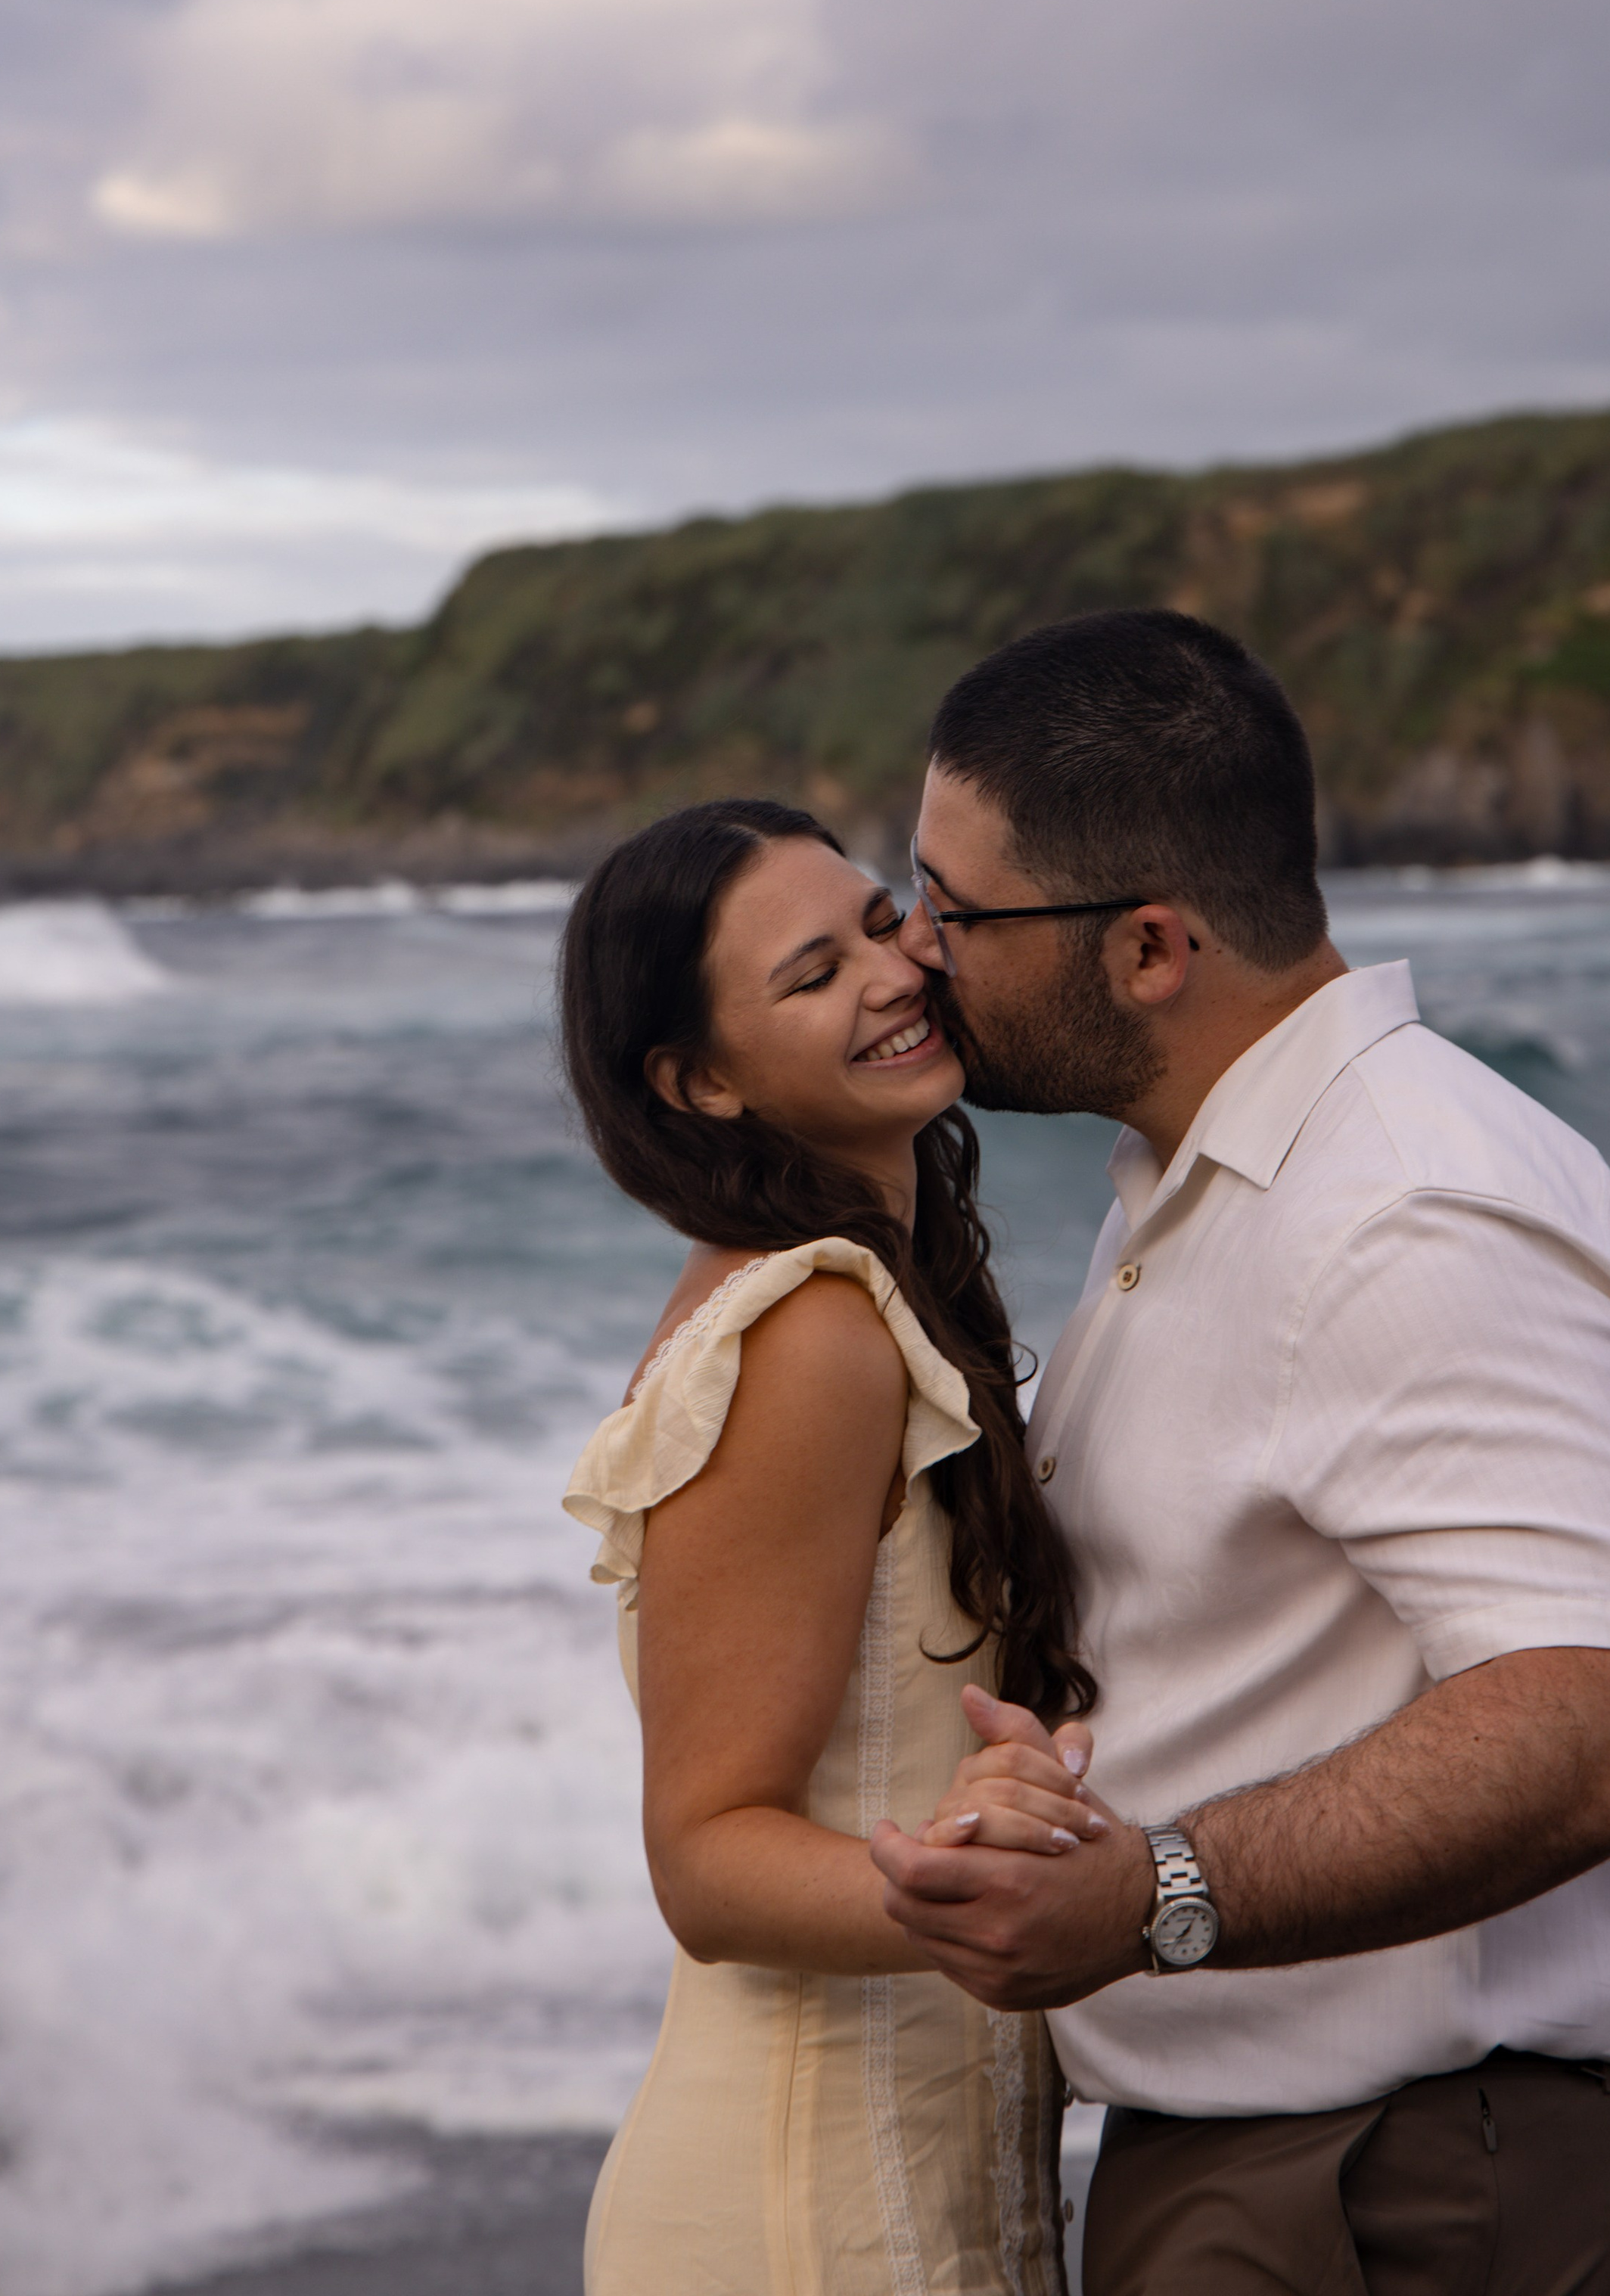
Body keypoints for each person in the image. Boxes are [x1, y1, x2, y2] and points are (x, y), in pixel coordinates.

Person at [868, 607, 1610, 2292]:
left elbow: (1601, 1720)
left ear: (1147, 950)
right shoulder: (1222, 1191)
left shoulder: (1406, 1210)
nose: (914, 950)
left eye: (954, 908)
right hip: (1316, 2162)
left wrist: (1152, 1896)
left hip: (1421, 2182)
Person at [559, 797, 1092, 2296]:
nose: (890, 974)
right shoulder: (807, 1332)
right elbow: (707, 1859)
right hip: (805, 2219)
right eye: (811, 976)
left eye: (879, 921)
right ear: (700, 1083)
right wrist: (1004, 1898)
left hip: (904, 2190)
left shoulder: (868, 1291)